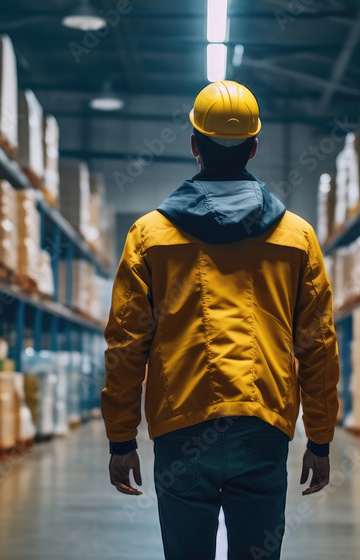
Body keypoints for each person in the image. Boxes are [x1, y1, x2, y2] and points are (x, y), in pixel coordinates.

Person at [101, 80, 340, 560]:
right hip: (263, 423)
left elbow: (126, 344)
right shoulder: (297, 237)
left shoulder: (148, 235)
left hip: (181, 425)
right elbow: (318, 345)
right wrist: (320, 437)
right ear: (254, 147)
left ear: (194, 145)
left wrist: (121, 436)